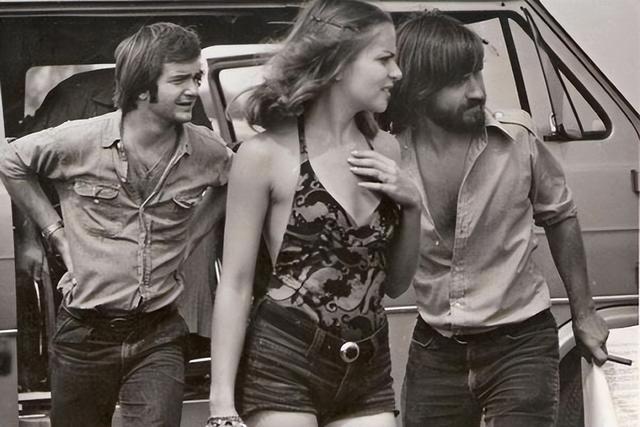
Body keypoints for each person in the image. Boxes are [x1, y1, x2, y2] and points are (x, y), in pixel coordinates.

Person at [0, 22, 232, 426]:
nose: (194, 90)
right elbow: (11, 162)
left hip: (159, 333)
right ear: (142, 89)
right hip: (84, 335)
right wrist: (55, 234)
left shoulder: (206, 149)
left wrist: (191, 236)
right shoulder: (78, 140)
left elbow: (235, 177)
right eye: (179, 80)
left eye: (196, 78)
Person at [385, 11, 610, 427]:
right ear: (418, 88)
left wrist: (584, 314)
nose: (478, 91)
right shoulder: (387, 158)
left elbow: (561, 215)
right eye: (459, 80)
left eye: (477, 72)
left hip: (521, 342)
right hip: (435, 346)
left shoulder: (516, 139)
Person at [206, 1, 421, 426]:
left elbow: (395, 285)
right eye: (384, 59)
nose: (397, 72)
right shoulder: (264, 155)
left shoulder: (385, 151)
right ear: (338, 64)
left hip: (367, 368)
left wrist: (412, 205)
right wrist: (221, 406)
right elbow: (235, 284)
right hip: (284, 360)